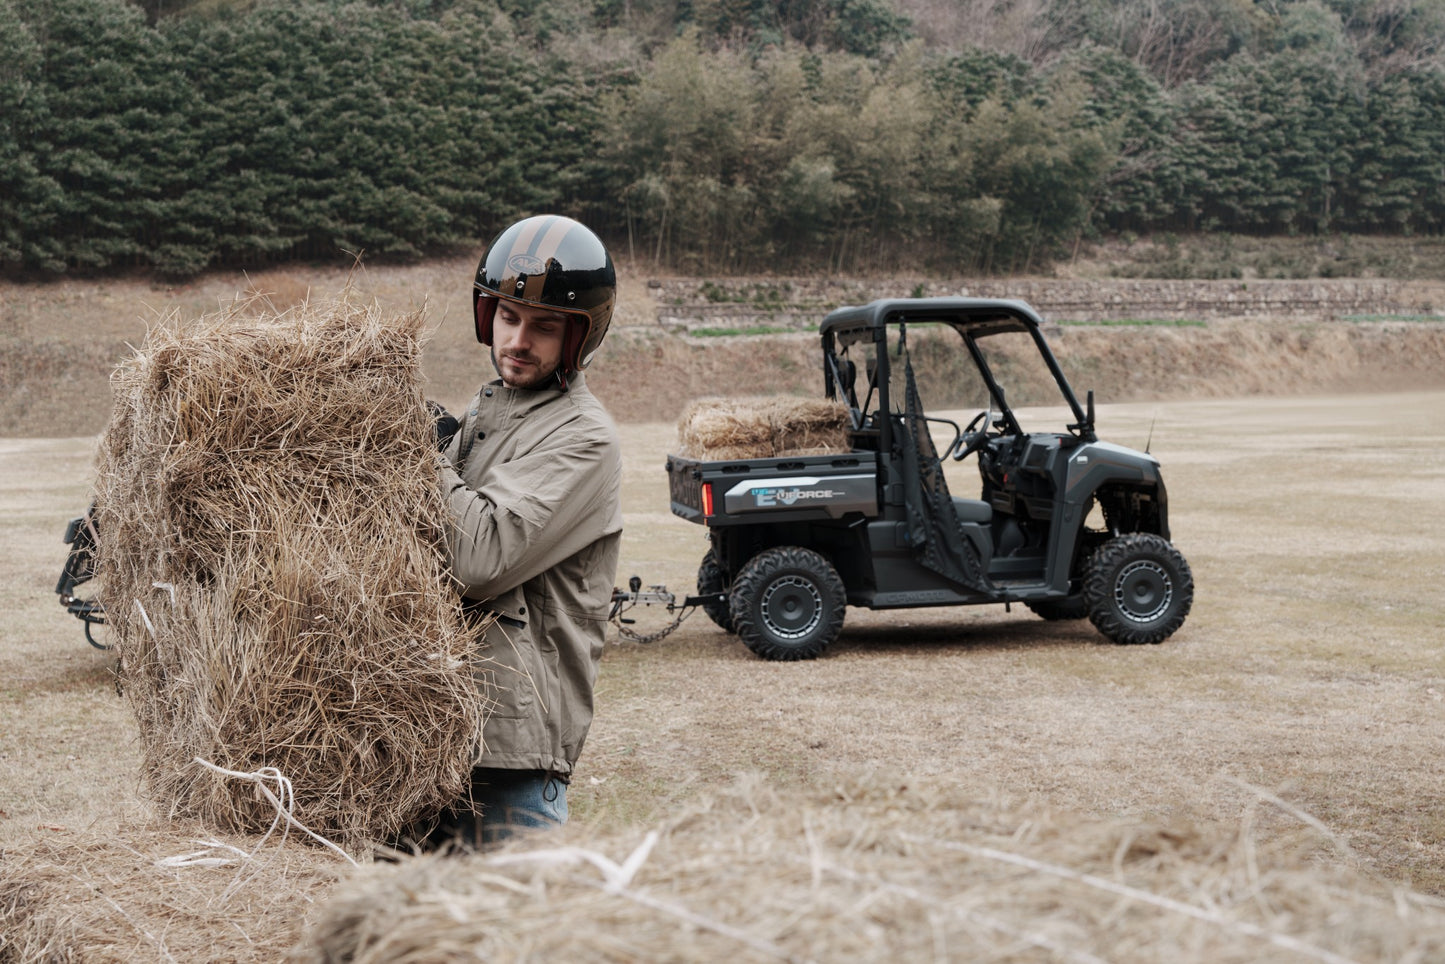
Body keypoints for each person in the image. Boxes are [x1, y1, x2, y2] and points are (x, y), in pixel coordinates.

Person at [432, 214, 623, 847]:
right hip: (428, 741)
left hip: (509, 758)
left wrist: (407, 452)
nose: (519, 339)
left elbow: (476, 557)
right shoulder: (487, 418)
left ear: (579, 338)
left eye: (544, 327)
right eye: (508, 317)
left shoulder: (584, 436)